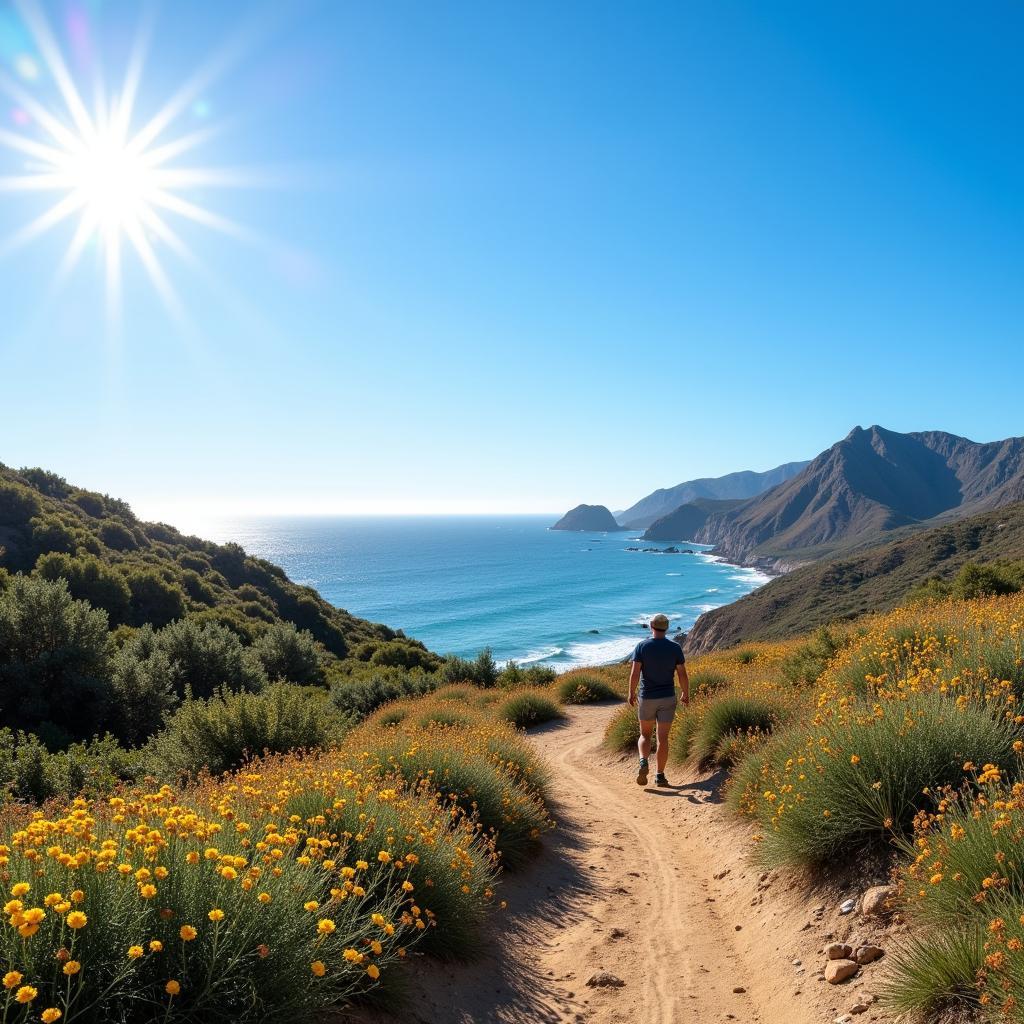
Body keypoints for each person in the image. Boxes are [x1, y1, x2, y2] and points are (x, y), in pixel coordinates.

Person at [628, 613, 689, 787]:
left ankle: (642, 762)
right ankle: (660, 775)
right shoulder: (675, 647)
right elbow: (682, 674)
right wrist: (685, 693)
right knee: (663, 738)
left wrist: (631, 693)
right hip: (667, 697)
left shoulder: (642, 646)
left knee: (645, 735)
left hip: (647, 697)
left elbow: (635, 673)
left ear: (651, 625)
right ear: (667, 627)